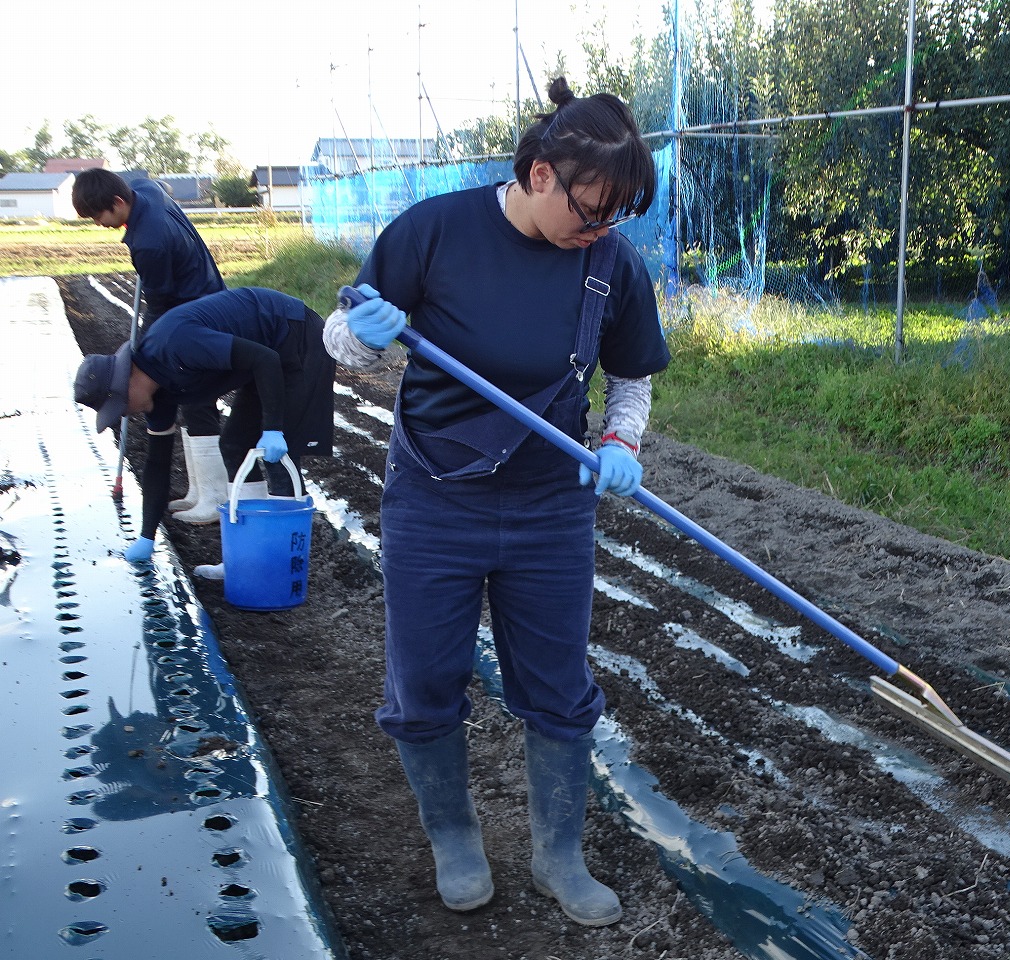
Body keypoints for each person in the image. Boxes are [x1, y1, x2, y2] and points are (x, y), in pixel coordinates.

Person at [324, 77, 669, 926]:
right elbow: (340, 340)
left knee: (558, 684)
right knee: (426, 680)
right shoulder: (433, 232)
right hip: (435, 500)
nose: (601, 229)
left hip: (551, 505)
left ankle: (558, 855)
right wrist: (358, 340)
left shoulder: (609, 265)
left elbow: (630, 378)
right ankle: (454, 836)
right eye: (592, 210)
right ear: (540, 172)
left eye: (617, 215)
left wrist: (621, 443)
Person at [73, 286, 336, 569]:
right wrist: (147, 536)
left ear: (127, 382)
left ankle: (282, 564)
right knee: (234, 445)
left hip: (294, 334)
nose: (126, 414)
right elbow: (157, 464)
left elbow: (265, 359)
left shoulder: (176, 344)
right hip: (261, 357)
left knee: (279, 455)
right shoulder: (155, 395)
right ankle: (248, 559)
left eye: (121, 407)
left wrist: (273, 428)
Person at [72, 168, 228, 524]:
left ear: (117, 201)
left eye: (100, 216)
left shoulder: (149, 242)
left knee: (197, 397)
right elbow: (156, 188)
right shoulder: (143, 188)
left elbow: (158, 305)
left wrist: (142, 351)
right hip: (203, 295)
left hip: (197, 313)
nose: (99, 223)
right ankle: (198, 491)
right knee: (186, 398)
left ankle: (216, 497)